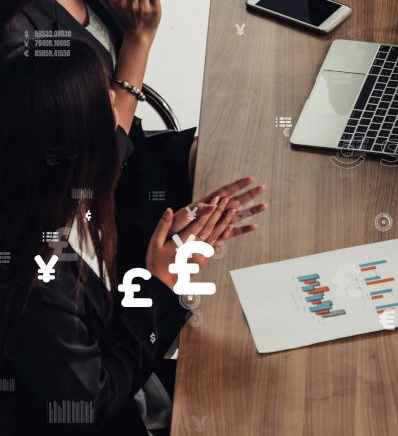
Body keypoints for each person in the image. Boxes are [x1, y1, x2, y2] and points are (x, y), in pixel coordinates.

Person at [0, 39, 267, 434]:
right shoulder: (35, 285)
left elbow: (94, 268)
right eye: (101, 97)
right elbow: (91, 403)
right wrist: (160, 285)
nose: (114, 96)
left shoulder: (70, 190)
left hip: (140, 377)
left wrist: (168, 237)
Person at [0, 0, 240, 276]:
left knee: (250, 164)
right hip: (105, 219)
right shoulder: (18, 40)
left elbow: (97, 55)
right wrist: (140, 38)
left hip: (139, 157)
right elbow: (97, 162)